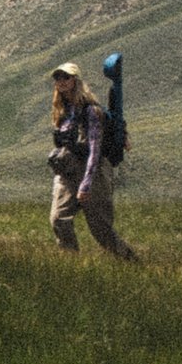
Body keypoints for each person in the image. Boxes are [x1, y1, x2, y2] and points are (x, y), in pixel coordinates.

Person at [47, 63, 136, 258]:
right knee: (58, 219)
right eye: (58, 78)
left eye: (66, 77)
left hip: (93, 172)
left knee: (101, 231)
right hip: (67, 173)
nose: (61, 81)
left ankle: (132, 262)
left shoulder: (91, 111)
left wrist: (86, 183)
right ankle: (71, 265)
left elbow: (94, 149)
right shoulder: (62, 111)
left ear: (75, 81)